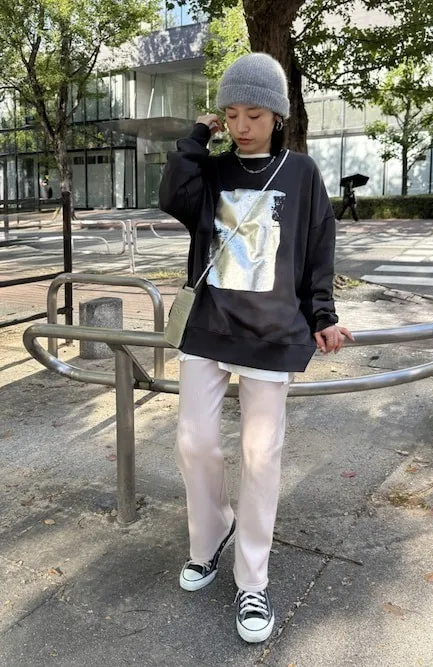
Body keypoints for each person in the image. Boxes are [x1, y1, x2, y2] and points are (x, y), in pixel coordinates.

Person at [159, 52, 353, 644]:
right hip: (208, 325)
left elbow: (317, 248)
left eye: (255, 115)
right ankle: (211, 535)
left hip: (271, 332)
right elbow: (172, 196)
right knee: (194, 441)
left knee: (261, 456)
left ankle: (252, 580)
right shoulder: (212, 170)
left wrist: (323, 315)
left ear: (277, 116)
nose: (242, 125)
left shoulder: (301, 173)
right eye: (232, 114)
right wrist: (196, 137)